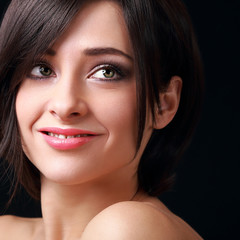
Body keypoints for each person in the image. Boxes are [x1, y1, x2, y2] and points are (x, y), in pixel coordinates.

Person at [0, 0, 204, 239]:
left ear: (163, 104)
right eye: (42, 69)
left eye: (107, 72)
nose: (65, 106)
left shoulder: (129, 229)